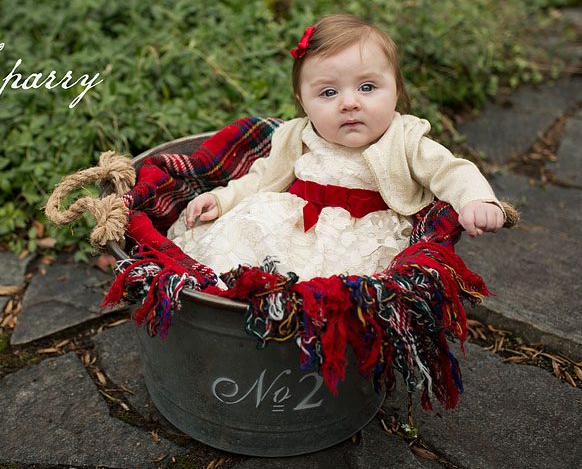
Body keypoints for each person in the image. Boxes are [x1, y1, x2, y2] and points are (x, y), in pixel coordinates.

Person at [165, 14, 504, 282]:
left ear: (397, 91)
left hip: (361, 239)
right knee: (242, 240)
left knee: (343, 289)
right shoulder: (297, 135)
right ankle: (235, 296)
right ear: (303, 101)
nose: (350, 103)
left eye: (367, 87)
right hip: (289, 224)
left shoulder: (404, 139)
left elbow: (451, 170)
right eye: (328, 93)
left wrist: (475, 200)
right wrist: (222, 199)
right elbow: (261, 177)